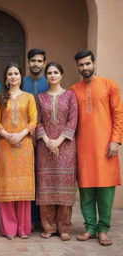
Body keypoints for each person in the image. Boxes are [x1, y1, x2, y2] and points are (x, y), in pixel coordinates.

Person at [71, 50, 123, 246]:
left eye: (87, 64)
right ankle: (90, 227)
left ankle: (103, 229)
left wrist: (115, 140)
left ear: (94, 63)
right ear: (78, 67)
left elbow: (118, 114)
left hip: (106, 147)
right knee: (86, 189)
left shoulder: (109, 85)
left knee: (106, 190)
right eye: (81, 65)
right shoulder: (74, 90)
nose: (85, 67)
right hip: (83, 148)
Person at [0, 62, 37, 240]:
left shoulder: (29, 98)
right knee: (7, 187)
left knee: (23, 189)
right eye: (10, 74)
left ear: (21, 77)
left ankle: (23, 228)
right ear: (6, 78)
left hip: (24, 146)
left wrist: (21, 134)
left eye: (16, 74)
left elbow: (34, 120)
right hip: (5, 146)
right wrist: (6, 134)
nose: (13, 77)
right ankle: (9, 228)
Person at [36, 62, 78, 241]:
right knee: (46, 186)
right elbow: (37, 122)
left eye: (56, 72)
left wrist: (59, 141)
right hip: (45, 148)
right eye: (50, 73)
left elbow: (73, 120)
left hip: (66, 147)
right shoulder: (39, 98)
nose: (52, 75)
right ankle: (49, 226)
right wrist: (47, 140)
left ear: (62, 75)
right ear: (46, 76)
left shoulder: (70, 95)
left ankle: (65, 227)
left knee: (64, 186)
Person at [22, 48, 49, 230]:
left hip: (46, 138)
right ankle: (29, 217)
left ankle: (43, 217)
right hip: (24, 136)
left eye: (39, 61)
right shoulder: (21, 81)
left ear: (44, 63)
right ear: (28, 62)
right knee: (26, 176)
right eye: (33, 60)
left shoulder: (50, 81)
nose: (36, 64)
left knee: (43, 176)